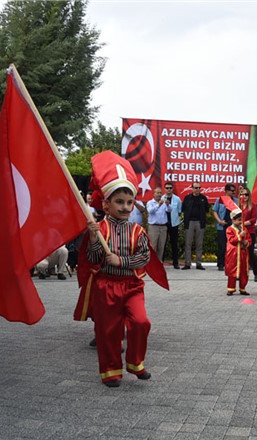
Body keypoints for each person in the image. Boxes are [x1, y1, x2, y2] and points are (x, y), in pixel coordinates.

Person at [83, 156, 153, 388]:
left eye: (129, 202)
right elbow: (92, 259)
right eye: (119, 201)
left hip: (132, 286)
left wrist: (121, 260)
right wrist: (94, 239)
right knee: (109, 330)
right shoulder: (99, 229)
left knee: (141, 322)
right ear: (106, 204)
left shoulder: (138, 231)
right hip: (106, 286)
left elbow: (144, 257)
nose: (125, 207)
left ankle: (135, 362)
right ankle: (111, 371)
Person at [222, 198, 249, 296]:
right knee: (232, 271)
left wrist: (246, 242)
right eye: (238, 220)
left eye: (241, 220)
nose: (240, 222)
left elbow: (248, 239)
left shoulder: (244, 228)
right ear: (233, 220)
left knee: (243, 271)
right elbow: (232, 240)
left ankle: (243, 288)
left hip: (242, 253)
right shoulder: (229, 229)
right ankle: (231, 288)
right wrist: (240, 236)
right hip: (233, 253)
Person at [181, 182, 209, 270]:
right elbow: (183, 209)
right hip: (189, 222)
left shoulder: (203, 198)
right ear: (192, 188)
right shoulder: (187, 198)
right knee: (188, 244)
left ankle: (199, 263)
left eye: (199, 188)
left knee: (199, 244)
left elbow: (207, 210)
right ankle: (187, 263)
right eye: (195, 188)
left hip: (199, 223)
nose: (197, 189)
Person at [212, 183, 238, 271]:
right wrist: (219, 220)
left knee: (232, 246)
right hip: (222, 225)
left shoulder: (236, 200)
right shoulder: (220, 200)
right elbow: (214, 211)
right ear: (226, 191)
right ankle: (220, 264)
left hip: (233, 226)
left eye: (234, 191)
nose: (234, 192)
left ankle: (230, 263)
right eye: (232, 191)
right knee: (222, 246)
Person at [239, 186, 257, 281]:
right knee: (239, 254)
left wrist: (247, 222)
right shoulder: (238, 206)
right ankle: (240, 273)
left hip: (249, 232)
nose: (244, 196)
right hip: (239, 232)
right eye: (242, 194)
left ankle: (256, 272)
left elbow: (254, 219)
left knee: (250, 253)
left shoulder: (253, 206)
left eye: (246, 194)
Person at [163, 182, 182, 269]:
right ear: (165, 189)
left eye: (170, 188)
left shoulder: (177, 199)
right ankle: (161, 262)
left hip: (174, 224)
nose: (169, 189)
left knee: (174, 244)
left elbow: (179, 211)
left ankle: (176, 263)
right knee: (163, 243)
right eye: (167, 188)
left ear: (172, 189)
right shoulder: (161, 198)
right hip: (163, 224)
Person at [146, 187, 169, 257]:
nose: (159, 194)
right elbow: (150, 211)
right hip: (154, 227)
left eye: (160, 193)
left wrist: (168, 205)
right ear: (154, 194)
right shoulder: (150, 202)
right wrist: (158, 205)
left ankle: (159, 263)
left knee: (161, 246)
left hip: (163, 227)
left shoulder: (164, 202)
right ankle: (152, 264)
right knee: (153, 246)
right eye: (157, 193)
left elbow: (170, 210)